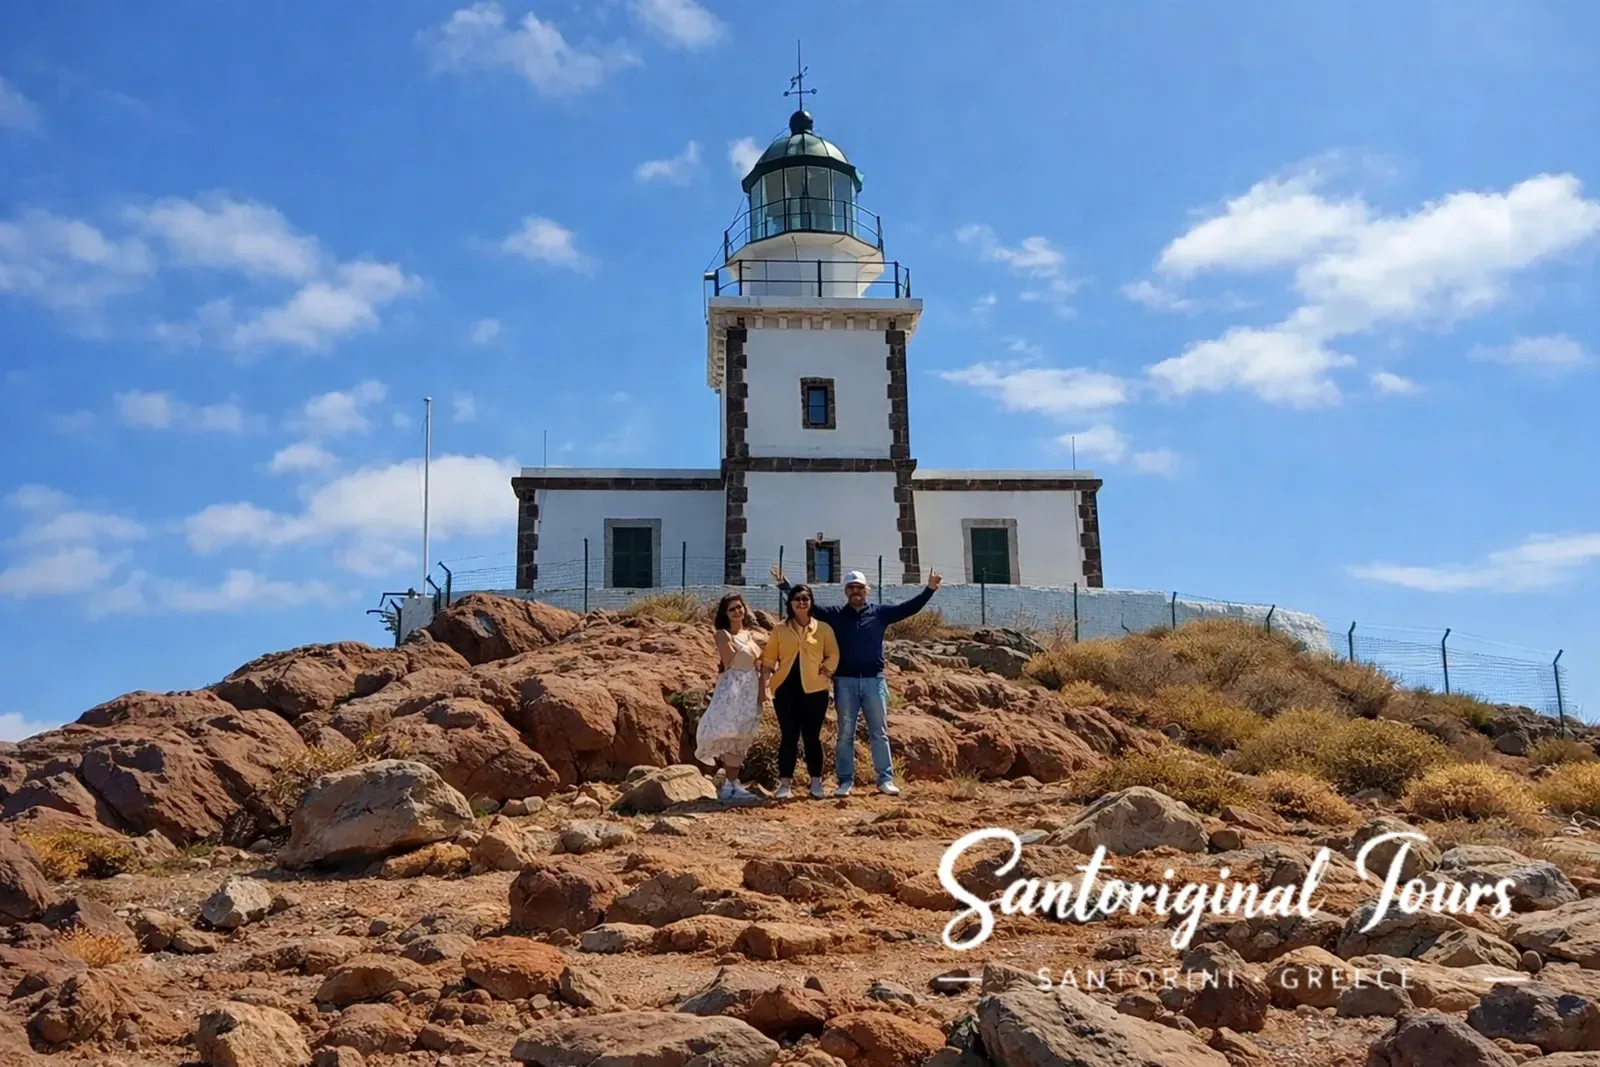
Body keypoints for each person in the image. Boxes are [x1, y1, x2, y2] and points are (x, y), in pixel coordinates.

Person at [772, 565, 942, 797]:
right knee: (845, 733)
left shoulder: (880, 613)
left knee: (879, 732)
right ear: (845, 591)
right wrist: (785, 586)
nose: (855, 591)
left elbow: (907, 609)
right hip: (845, 682)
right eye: (851, 588)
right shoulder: (835, 615)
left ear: (867, 590)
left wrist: (929, 590)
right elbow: (807, 606)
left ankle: (885, 779)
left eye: (859, 587)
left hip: (874, 681)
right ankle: (845, 781)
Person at [758, 583, 840, 800]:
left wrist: (825, 673)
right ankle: (785, 783)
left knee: (812, 737)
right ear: (790, 603)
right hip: (786, 690)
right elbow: (768, 659)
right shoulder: (779, 630)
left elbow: (833, 654)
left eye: (805, 598)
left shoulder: (823, 629)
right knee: (788, 737)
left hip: (815, 690)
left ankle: (816, 783)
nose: (801, 603)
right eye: (797, 599)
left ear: (811, 602)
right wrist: (765, 685)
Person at [694, 593, 766, 806]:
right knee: (729, 730)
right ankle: (728, 783)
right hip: (733, 687)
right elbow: (730, 660)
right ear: (726, 613)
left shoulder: (750, 634)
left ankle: (732, 783)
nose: (737, 611)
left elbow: (758, 663)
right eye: (732, 609)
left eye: (740, 607)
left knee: (743, 734)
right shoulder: (723, 634)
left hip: (750, 687)